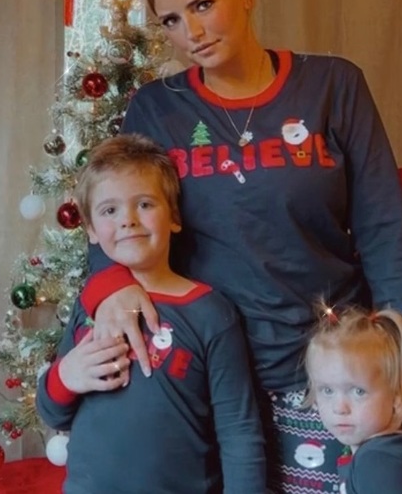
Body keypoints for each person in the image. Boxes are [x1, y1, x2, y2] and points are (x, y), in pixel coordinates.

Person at [79, 0, 402, 494]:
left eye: (203, 4)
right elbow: (115, 219)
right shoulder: (157, 108)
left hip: (334, 376)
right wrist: (110, 288)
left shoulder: (333, 86)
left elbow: (386, 238)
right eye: (171, 20)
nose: (191, 32)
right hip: (210, 379)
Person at [36, 133, 266, 494]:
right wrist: (66, 376)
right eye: (109, 210)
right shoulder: (89, 306)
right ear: (92, 230)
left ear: (173, 216)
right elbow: (53, 412)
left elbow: (239, 429)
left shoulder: (210, 313)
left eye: (144, 204)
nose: (128, 220)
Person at [304, 304, 402, 493]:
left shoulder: (377, 461)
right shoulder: (384, 449)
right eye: (327, 390)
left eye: (358, 391)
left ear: (396, 396)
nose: (340, 408)